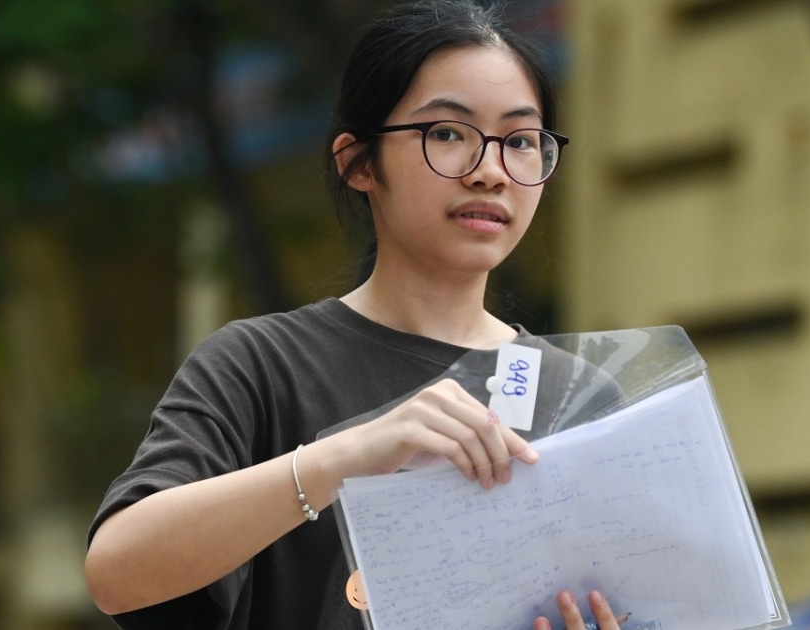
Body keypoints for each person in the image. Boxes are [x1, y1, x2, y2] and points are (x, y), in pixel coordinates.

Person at [85, 1, 623, 628]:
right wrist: (347, 457)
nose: (490, 172)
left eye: (521, 142)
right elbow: (116, 573)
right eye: (447, 133)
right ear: (358, 161)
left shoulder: (580, 398)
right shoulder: (262, 366)